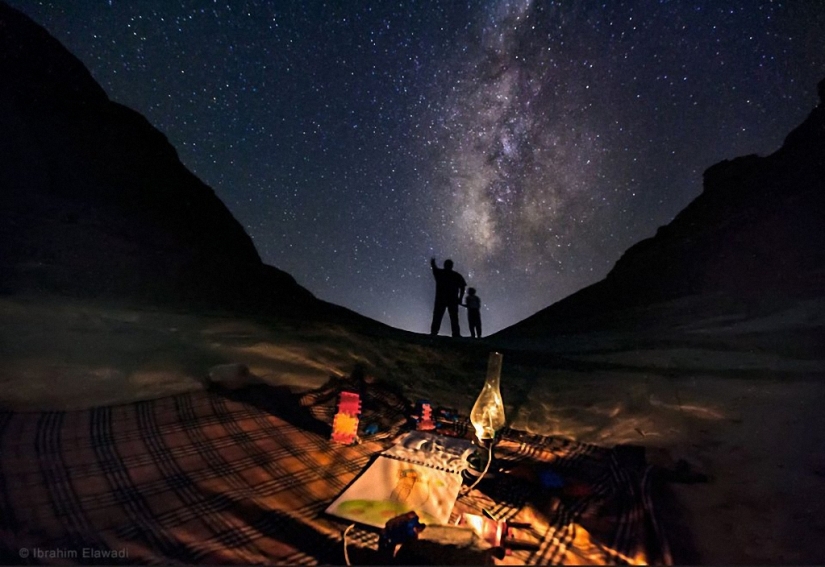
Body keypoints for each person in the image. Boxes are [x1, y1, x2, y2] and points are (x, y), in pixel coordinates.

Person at [429, 257, 466, 337]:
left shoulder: (440, 273)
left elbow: (434, 268)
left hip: (441, 299)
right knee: (453, 317)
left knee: (438, 316)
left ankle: (434, 332)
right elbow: (463, 287)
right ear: (452, 266)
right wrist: (460, 298)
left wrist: (433, 263)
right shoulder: (456, 275)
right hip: (452, 299)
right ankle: (455, 333)